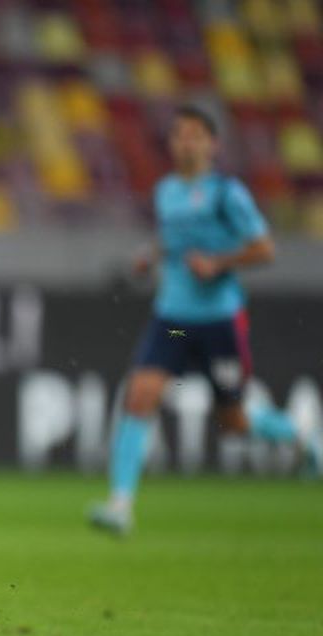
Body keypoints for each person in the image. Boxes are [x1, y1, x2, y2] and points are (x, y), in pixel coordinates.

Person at [89, 105, 317, 535]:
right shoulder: (166, 192)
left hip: (218, 323)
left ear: (213, 144)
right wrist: (148, 257)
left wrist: (218, 263)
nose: (186, 143)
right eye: (179, 135)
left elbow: (265, 248)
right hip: (174, 321)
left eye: (195, 135)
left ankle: (305, 437)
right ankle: (120, 505)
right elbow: (171, 240)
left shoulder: (227, 194)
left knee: (233, 421)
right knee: (140, 394)